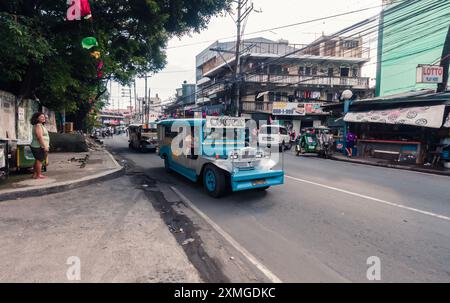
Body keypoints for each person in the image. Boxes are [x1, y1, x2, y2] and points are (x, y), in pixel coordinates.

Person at [30, 112, 50, 179]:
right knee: (39, 160)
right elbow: (39, 137)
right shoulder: (38, 125)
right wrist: (44, 146)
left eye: (44, 117)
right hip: (38, 146)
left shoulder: (40, 125)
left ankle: (35, 174)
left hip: (38, 146)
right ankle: (39, 175)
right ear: (37, 118)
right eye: (41, 117)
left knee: (37, 160)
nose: (43, 118)